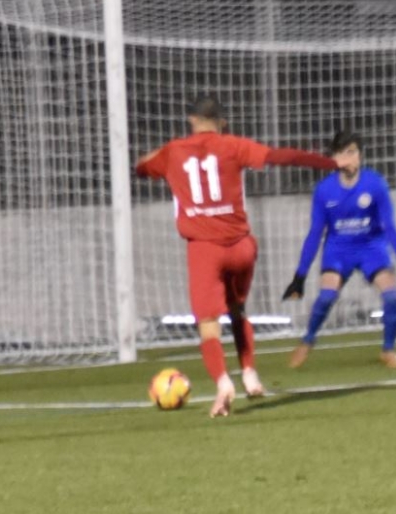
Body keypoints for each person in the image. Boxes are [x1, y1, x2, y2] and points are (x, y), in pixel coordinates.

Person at [135, 96, 343, 417]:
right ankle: (249, 373)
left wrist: (154, 155)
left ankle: (223, 384)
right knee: (237, 311)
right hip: (241, 247)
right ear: (222, 122)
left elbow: (141, 168)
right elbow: (280, 156)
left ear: (191, 120)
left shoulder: (173, 151)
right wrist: (329, 163)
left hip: (205, 249)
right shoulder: (233, 145)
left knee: (208, 324)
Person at [282, 130, 396, 369]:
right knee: (327, 296)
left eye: (353, 152)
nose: (349, 158)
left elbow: (390, 227)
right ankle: (307, 341)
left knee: (391, 296)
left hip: (371, 247)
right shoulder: (324, 190)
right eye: (343, 153)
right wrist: (300, 276)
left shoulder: (375, 184)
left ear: (360, 156)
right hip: (339, 248)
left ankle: (388, 350)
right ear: (333, 158)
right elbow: (315, 233)